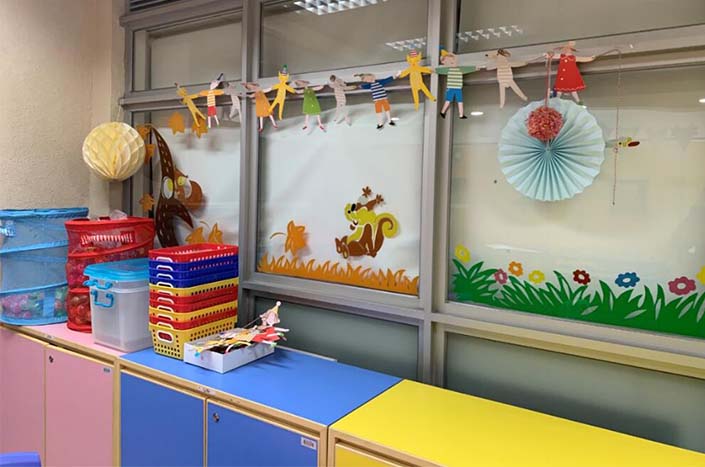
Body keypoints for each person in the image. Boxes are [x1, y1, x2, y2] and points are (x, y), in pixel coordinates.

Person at [435, 48, 481, 119]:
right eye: (451, 62)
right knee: (449, 101)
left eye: (454, 61)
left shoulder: (459, 69)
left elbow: (468, 69)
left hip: (458, 89)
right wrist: (434, 70)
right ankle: (443, 112)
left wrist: (475, 68)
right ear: (445, 63)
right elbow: (439, 70)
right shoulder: (448, 70)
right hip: (451, 88)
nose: (453, 63)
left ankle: (461, 115)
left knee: (459, 101)